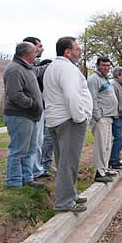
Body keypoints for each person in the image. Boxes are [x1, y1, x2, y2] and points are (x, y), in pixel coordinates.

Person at [44, 36, 92, 212]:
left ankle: (70, 195)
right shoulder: (67, 69)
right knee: (68, 162)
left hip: (55, 120)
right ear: (68, 51)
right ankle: (64, 202)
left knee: (64, 160)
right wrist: (80, 117)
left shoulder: (52, 67)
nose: (79, 52)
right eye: (77, 49)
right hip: (69, 121)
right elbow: (72, 95)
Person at [3, 42, 48, 188]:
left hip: (30, 115)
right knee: (18, 149)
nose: (38, 53)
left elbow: (38, 71)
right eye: (35, 51)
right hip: (20, 115)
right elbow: (15, 94)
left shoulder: (27, 68)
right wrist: (33, 105)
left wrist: (54, 65)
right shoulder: (15, 69)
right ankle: (14, 181)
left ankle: (27, 178)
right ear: (27, 54)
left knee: (30, 148)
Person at [23, 37, 54, 180]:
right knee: (29, 143)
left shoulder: (32, 66)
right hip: (30, 110)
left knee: (39, 140)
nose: (41, 49)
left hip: (39, 108)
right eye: (39, 46)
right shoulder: (22, 67)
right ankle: (27, 173)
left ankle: (36, 169)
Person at [87, 57, 118, 183]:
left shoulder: (105, 79)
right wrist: (97, 115)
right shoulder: (93, 79)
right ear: (98, 66)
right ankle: (98, 172)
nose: (106, 67)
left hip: (108, 116)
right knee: (100, 145)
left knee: (107, 145)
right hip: (101, 118)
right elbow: (92, 98)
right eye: (103, 65)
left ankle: (104, 168)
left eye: (108, 65)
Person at [108, 67, 122, 170]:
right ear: (118, 75)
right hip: (117, 116)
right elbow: (114, 101)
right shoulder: (113, 85)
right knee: (118, 138)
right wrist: (117, 114)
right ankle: (113, 161)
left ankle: (116, 159)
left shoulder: (121, 86)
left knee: (121, 138)